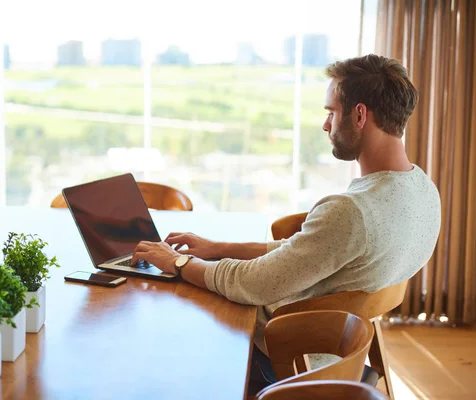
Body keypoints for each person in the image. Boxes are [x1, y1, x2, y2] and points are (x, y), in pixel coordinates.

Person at [131, 54, 441, 388]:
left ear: (360, 114)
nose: (326, 125)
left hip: (288, 360)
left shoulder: (353, 211)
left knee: (155, 331)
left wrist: (177, 262)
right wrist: (218, 247)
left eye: (331, 112)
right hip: (339, 356)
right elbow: (307, 252)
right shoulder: (423, 190)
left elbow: (253, 284)